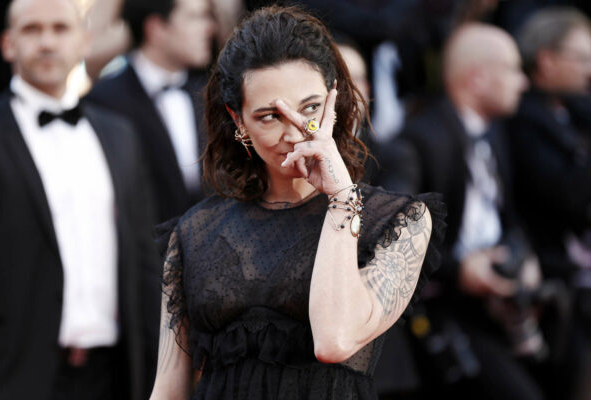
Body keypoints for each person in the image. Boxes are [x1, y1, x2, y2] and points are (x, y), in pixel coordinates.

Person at [148, 6, 445, 400]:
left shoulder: (399, 222)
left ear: (335, 99)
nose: (295, 133)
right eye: (270, 116)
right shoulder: (193, 233)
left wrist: (342, 198)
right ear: (238, 121)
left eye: (309, 109)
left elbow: (335, 340)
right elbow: (169, 389)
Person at [0, 0, 160, 399]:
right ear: (7, 44)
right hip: (13, 374)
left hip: (114, 375)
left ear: (84, 41)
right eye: (32, 29)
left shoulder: (120, 136)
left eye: (60, 28)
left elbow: (144, 258)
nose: (47, 42)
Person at [378, 23, 549, 399]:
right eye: (512, 69)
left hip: (499, 300)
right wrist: (461, 270)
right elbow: (396, 235)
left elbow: (505, 214)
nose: (523, 82)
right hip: (444, 308)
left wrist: (524, 256)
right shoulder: (419, 141)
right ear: (477, 78)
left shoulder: (494, 132)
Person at [509, 7, 591, 399]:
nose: (589, 70)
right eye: (582, 58)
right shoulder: (524, 118)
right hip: (550, 281)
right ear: (546, 59)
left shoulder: (571, 111)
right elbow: (566, 196)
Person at [86, 0, 216, 223]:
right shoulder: (104, 102)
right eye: (195, 17)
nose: (209, 28)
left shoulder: (212, 93)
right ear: (156, 29)